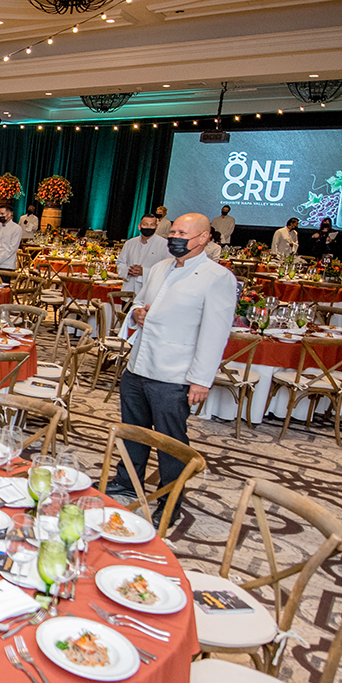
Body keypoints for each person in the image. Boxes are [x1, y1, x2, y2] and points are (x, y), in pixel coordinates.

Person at [107, 212, 236, 527]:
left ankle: (170, 498)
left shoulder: (217, 277)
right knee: (133, 431)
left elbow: (215, 333)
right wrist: (136, 314)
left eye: (182, 234)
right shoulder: (160, 267)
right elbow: (138, 302)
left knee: (171, 442)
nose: (175, 238)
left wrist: (201, 380)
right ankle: (127, 480)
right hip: (139, 365)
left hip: (174, 373)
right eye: (173, 232)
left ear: (203, 238)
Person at [0, 208, 23, 273]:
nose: (0, 216)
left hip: (6, 265)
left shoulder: (16, 228)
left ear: (9, 214)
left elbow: (12, 249)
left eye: (2, 214)